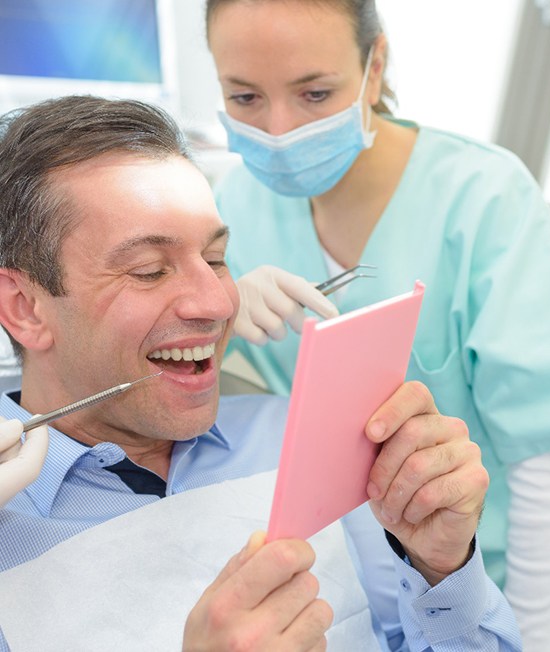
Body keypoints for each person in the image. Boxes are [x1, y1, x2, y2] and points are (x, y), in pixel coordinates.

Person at [0, 95, 521, 651]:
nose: (218, 303)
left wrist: (442, 570)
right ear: (26, 308)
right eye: (150, 271)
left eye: (217, 260)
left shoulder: (301, 438)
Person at [206, 1, 550, 649]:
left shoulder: (482, 199)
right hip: (341, 586)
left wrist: (534, 639)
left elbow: (547, 468)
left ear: (373, 68)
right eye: (244, 97)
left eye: (314, 93)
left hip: (489, 582)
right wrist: (225, 312)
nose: (280, 128)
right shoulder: (235, 203)